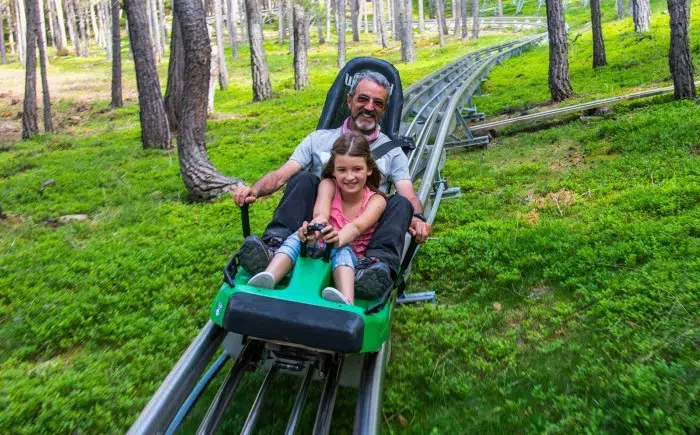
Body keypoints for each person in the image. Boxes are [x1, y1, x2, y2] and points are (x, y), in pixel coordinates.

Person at [231, 70, 431, 298]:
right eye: (363, 99)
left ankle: (374, 268)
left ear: (384, 109)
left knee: (401, 204)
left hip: (365, 225)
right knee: (305, 179)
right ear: (349, 100)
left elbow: (408, 193)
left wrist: (417, 218)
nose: (369, 107)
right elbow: (280, 175)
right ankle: (274, 246)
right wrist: (254, 190)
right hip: (317, 222)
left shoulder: (393, 152)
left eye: (377, 103)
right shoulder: (318, 140)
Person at [247, 132, 386, 305]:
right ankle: (269, 276)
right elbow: (321, 214)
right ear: (333, 170)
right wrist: (312, 230)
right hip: (320, 245)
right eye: (342, 170)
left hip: (350, 256)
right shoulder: (328, 185)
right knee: (295, 238)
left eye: (357, 169)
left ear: (369, 169)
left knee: (342, 251)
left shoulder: (376, 200)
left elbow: (356, 227)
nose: (349, 177)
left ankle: (346, 299)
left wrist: (336, 240)